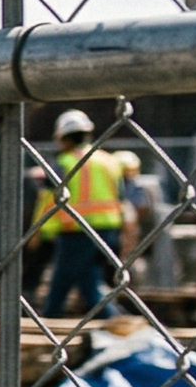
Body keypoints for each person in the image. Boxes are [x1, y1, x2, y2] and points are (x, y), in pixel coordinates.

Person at [34, 108, 131, 319]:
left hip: (77, 229)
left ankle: (50, 318)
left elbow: (49, 200)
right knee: (88, 278)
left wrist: (40, 230)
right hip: (109, 229)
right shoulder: (109, 161)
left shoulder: (64, 163)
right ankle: (113, 318)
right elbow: (121, 197)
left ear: (64, 138)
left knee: (63, 278)